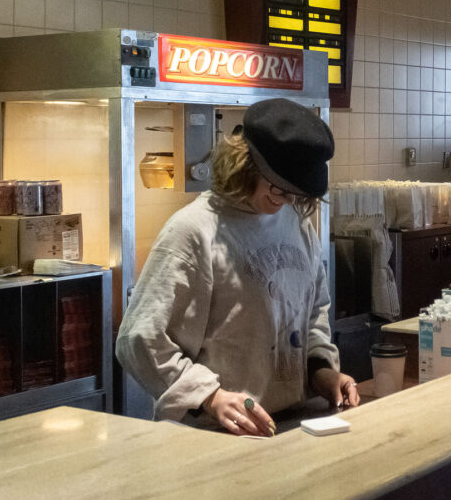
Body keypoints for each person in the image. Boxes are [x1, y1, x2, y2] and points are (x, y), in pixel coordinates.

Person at [116, 98, 358, 436]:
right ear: (244, 163)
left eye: (295, 194)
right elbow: (140, 339)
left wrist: (321, 371)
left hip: (290, 423)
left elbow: (313, 311)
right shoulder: (195, 231)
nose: (285, 201)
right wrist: (209, 395)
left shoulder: (295, 224)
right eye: (277, 187)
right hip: (211, 436)